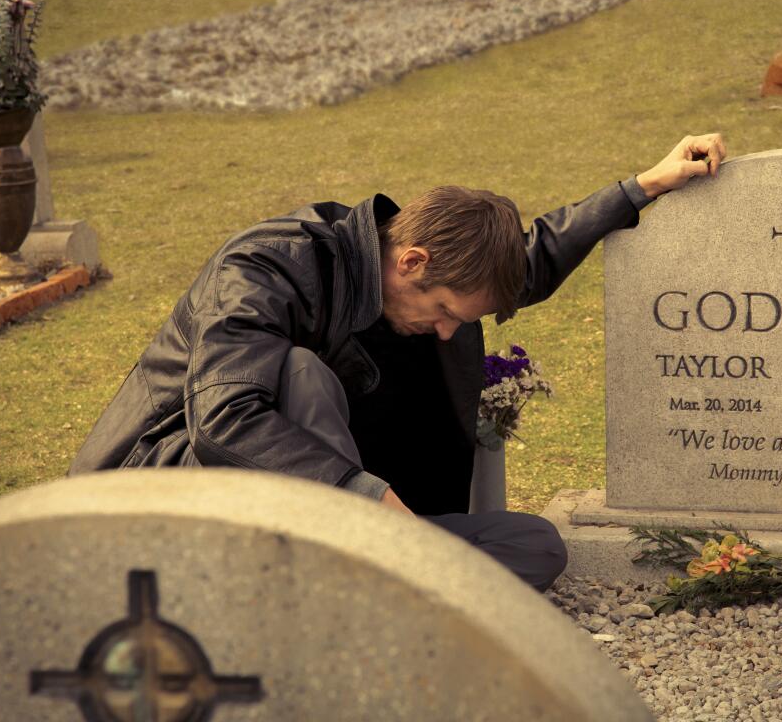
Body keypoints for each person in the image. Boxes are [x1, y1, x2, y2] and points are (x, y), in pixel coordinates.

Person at [69, 134, 727, 592]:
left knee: (537, 544)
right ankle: (383, 583)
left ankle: (380, 584)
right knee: (302, 377)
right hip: (167, 487)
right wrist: (368, 496)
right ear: (411, 261)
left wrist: (644, 186)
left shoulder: (429, 272)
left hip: (336, 526)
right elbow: (223, 417)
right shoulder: (268, 265)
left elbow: (530, 259)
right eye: (443, 309)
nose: (446, 332)